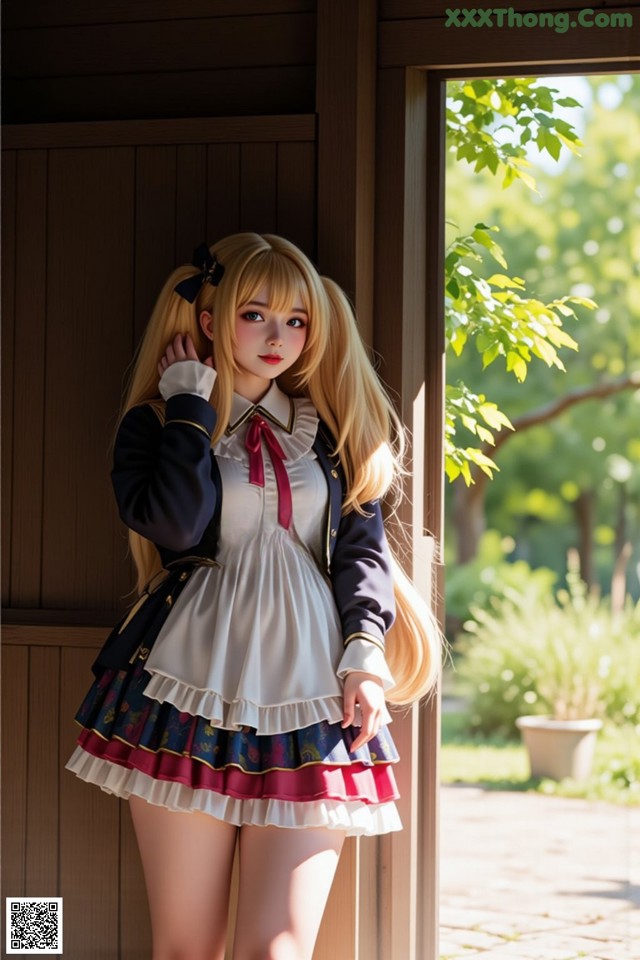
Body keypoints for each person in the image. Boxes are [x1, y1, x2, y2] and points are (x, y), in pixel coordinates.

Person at [65, 232, 440, 960]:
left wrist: (364, 649)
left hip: (310, 695)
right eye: (256, 315)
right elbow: (174, 523)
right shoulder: (160, 422)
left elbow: (360, 551)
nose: (278, 337)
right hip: (184, 694)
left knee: (277, 952)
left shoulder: (327, 435)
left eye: (296, 321)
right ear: (210, 320)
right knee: (186, 949)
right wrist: (188, 412)